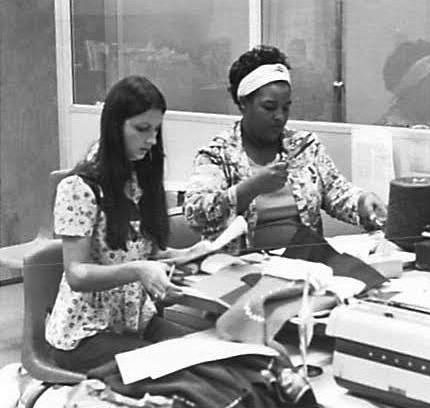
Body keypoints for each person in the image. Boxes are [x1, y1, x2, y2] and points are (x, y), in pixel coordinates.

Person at [45, 75, 212, 373]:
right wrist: (140, 270)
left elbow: (139, 254)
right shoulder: (79, 187)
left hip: (133, 322)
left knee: (207, 353)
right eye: (141, 129)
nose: (151, 140)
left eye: (156, 130)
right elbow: (77, 275)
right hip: (85, 335)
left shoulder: (139, 179)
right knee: (178, 368)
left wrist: (180, 256)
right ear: (114, 127)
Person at [183, 45, 387, 251]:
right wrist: (251, 187)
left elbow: (337, 193)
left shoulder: (304, 147)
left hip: (305, 265)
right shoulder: (217, 155)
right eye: (269, 107)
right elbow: (196, 215)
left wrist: (362, 202)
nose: (279, 116)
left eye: (286, 107)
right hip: (241, 270)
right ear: (243, 102)